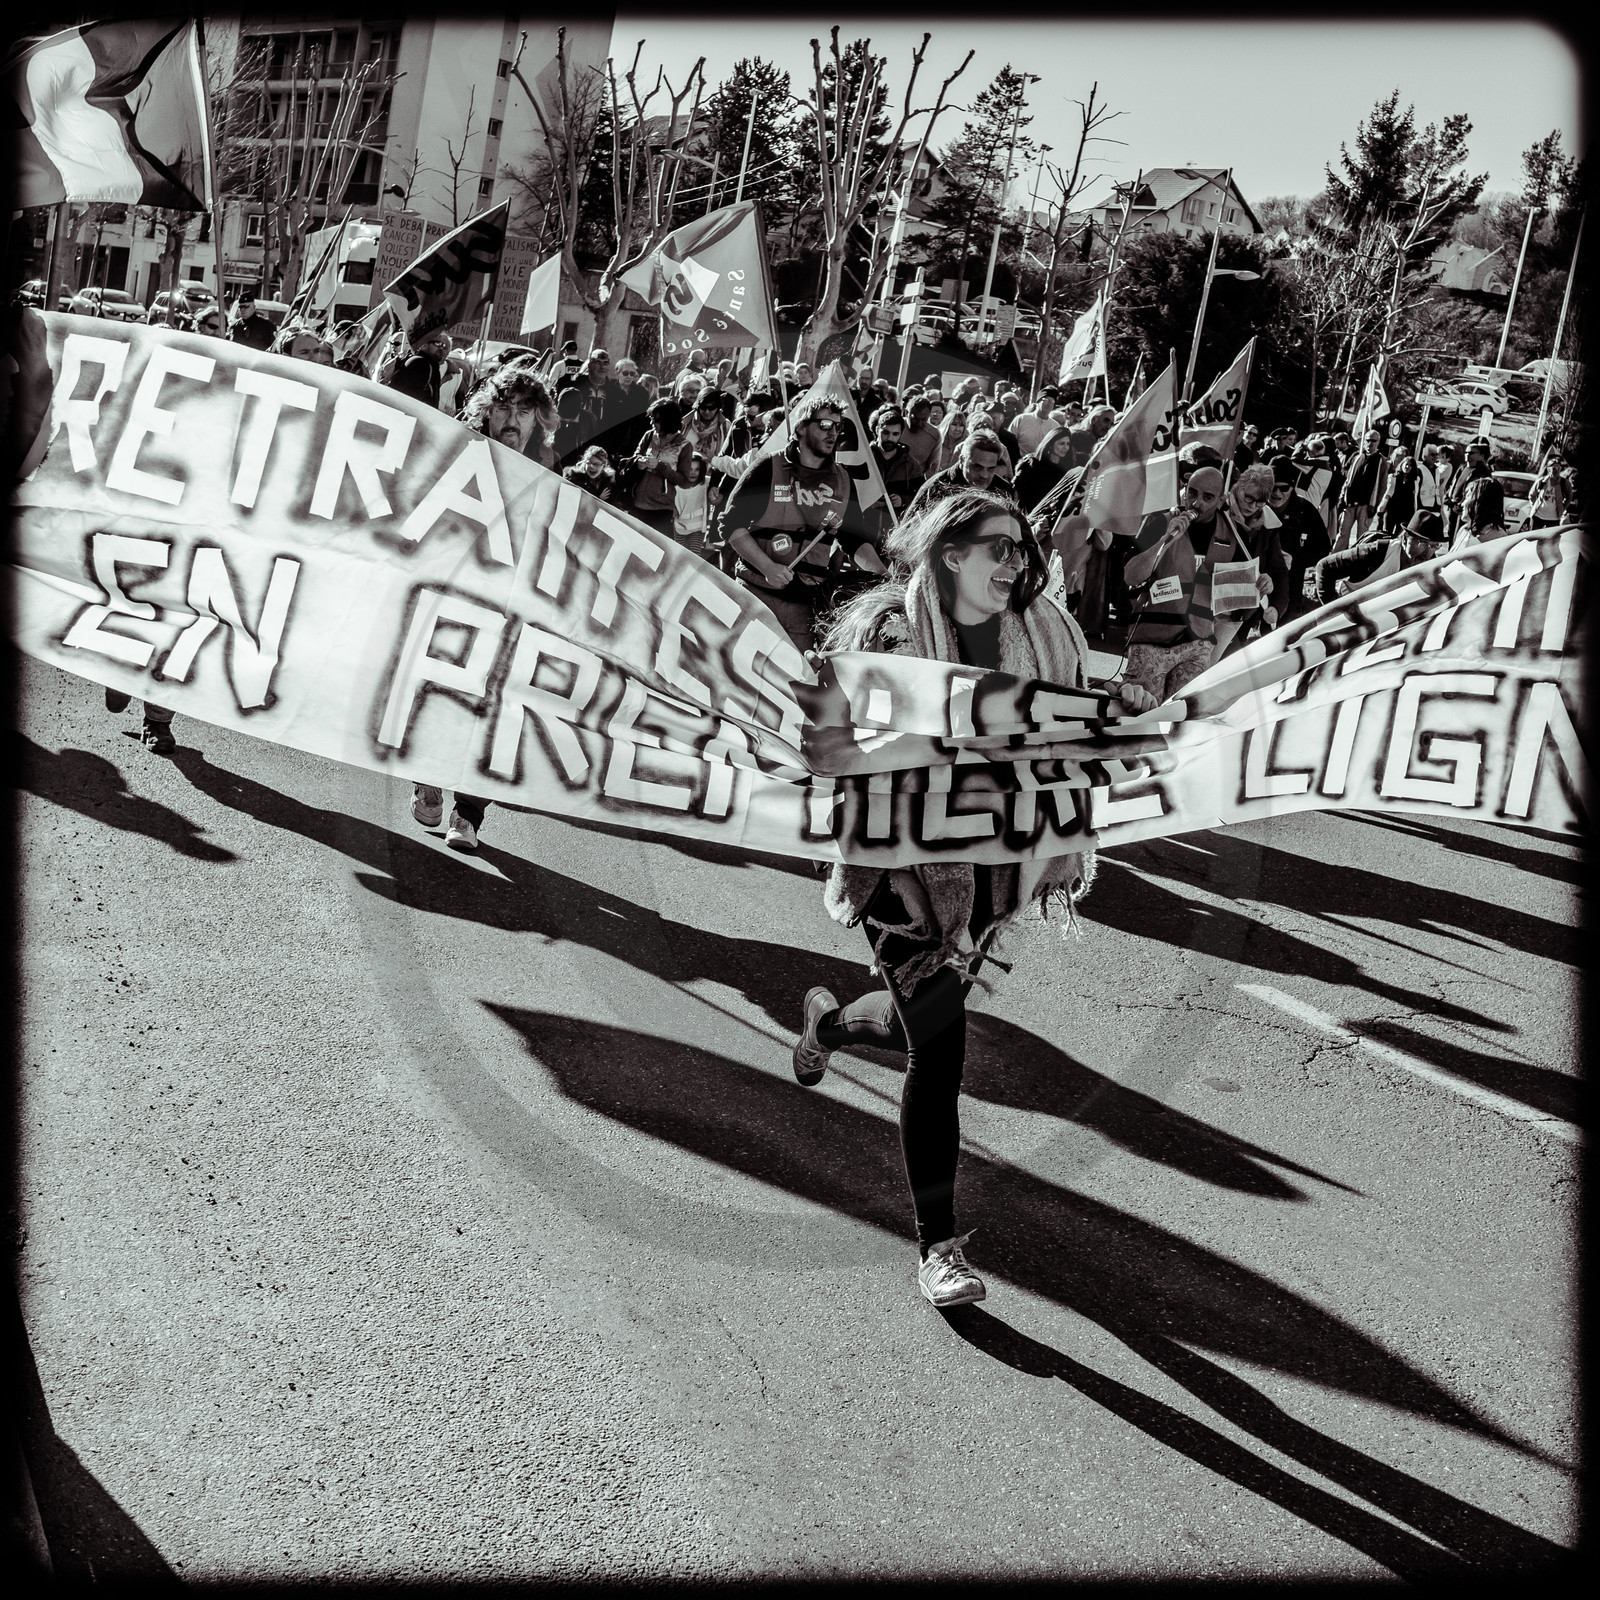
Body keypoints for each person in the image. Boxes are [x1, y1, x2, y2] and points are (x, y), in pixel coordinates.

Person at [790, 489, 1157, 1309]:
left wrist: (1124, 717)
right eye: (1000, 548)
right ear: (951, 553)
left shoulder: (1049, 634)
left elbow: (1072, 732)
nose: (1017, 563)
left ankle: (827, 1025)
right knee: (941, 1046)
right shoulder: (886, 630)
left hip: (993, 870)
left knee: (919, 1016)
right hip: (897, 871)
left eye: (1023, 550)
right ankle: (939, 1249)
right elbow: (831, 745)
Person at [411, 365, 554, 851]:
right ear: (485, 411)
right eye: (503, 407)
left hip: (510, 606)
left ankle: (467, 814)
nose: (513, 420)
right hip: (452, 594)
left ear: (540, 419)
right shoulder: (458, 450)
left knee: (492, 708)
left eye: (525, 410)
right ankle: (425, 774)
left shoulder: (552, 469)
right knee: (437, 691)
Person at [719, 392, 886, 653]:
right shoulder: (768, 467)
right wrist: (767, 567)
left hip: (805, 606)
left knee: (793, 685)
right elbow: (730, 524)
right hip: (756, 595)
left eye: (838, 427)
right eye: (825, 425)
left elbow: (854, 539)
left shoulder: (843, 480)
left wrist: (883, 575)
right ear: (800, 427)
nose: (833, 433)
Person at [1121, 465, 1270, 703]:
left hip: (1198, 644)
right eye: (1192, 493)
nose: (1196, 502)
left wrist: (1262, 584)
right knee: (1140, 717)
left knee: (1181, 724)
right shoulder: (1161, 521)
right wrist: (1165, 541)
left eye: (1207, 497)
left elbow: (1241, 599)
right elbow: (1131, 576)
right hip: (1152, 640)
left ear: (1221, 499)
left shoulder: (1233, 533)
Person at [1315, 509, 1447, 603]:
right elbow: (1325, 566)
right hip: (1351, 611)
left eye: (1435, 546)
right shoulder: (1377, 552)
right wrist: (1333, 610)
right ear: (1406, 538)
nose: (1428, 553)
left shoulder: (1431, 565)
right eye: (1423, 543)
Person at [1264, 455, 1330, 623]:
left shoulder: (1305, 510)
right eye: (1273, 488)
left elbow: (1323, 547)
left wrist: (1296, 560)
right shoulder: (1256, 508)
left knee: (1286, 628)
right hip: (1260, 580)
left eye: (1284, 488)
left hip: (1290, 581)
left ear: (1293, 487)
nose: (1277, 493)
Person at [906, 431, 1020, 517]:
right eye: (977, 466)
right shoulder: (936, 488)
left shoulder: (1004, 492)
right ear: (962, 460)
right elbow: (907, 532)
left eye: (990, 469)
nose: (984, 475)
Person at [626, 398, 693, 539]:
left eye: (656, 420)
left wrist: (660, 467)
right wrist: (639, 462)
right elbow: (635, 457)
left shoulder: (685, 445)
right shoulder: (649, 435)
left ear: (668, 421)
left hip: (661, 509)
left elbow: (683, 480)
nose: (652, 423)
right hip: (637, 503)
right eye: (651, 419)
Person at [868, 406, 923, 540]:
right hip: (862, 528)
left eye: (895, 434)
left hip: (893, 532)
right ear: (877, 430)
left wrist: (902, 500)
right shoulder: (864, 458)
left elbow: (921, 498)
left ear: (901, 434)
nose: (889, 438)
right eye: (885, 432)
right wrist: (866, 501)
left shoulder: (911, 465)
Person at [1332, 428, 1387, 551]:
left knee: (1361, 537)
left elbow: (1382, 487)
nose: (1370, 443)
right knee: (1342, 534)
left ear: (1378, 442)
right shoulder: (1357, 457)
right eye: (1368, 440)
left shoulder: (1381, 461)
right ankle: (1334, 558)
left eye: (1373, 441)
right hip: (1350, 502)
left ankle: (1356, 560)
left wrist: (1376, 506)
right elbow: (1348, 479)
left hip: (1367, 505)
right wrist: (1342, 497)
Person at [1012, 426, 1074, 514]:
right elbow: (1017, 489)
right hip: (1029, 513)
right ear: (1051, 443)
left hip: (1053, 515)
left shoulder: (1067, 468)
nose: (1066, 447)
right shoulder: (1032, 463)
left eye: (1068, 444)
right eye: (1062, 443)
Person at [386, 326, 451, 407]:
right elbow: (407, 401)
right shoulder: (420, 364)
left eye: (443, 345)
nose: (441, 347)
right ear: (424, 345)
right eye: (437, 343)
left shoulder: (430, 365)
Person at [1374, 448, 1419, 535]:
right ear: (1402, 465)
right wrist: (1381, 508)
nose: (1407, 467)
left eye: (1410, 466)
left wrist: (1414, 513)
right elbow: (1388, 494)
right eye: (1406, 464)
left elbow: (1415, 498)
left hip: (1406, 512)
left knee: (1399, 536)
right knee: (1386, 533)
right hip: (1392, 510)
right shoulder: (1393, 477)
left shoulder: (1415, 481)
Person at [673, 453, 711, 551]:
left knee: (695, 554)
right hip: (680, 525)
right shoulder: (675, 485)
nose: (693, 472)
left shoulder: (706, 483)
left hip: (698, 527)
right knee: (681, 554)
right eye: (690, 468)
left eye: (697, 469)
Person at [1526, 448, 1567, 528]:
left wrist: (1562, 508)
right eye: (1554, 468)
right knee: (1534, 538)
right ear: (1549, 469)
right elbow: (1531, 495)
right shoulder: (1541, 481)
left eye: (1558, 468)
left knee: (1551, 540)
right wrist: (1535, 506)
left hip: (1554, 519)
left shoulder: (1563, 484)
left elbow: (1567, 498)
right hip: (1538, 517)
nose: (1556, 470)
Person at [1069, 404, 1116, 469]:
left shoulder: (1097, 441)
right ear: (1094, 419)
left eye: (1111, 424)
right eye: (1106, 421)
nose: (1108, 426)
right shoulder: (1079, 436)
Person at [933, 407, 969, 473]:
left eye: (961, 425)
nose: (957, 429)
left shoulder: (965, 447)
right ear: (946, 425)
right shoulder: (935, 442)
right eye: (954, 424)